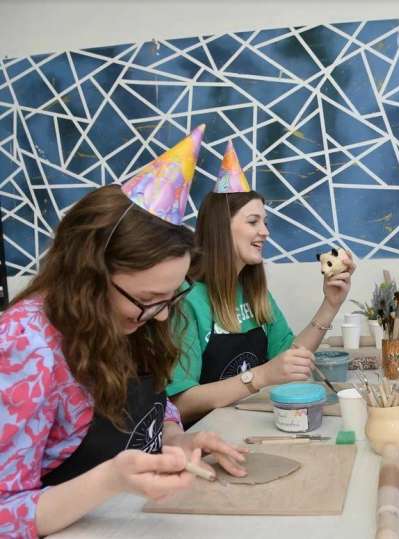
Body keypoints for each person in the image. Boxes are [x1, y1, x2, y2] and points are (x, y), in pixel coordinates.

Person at [0, 126, 246, 538]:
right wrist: (111, 479)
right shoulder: (25, 345)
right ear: (90, 277)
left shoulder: (135, 318)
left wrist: (175, 441)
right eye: (148, 299)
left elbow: (156, 405)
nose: (162, 318)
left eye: (169, 299)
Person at [168, 143, 355, 425]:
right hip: (206, 439)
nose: (265, 232)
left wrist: (330, 305)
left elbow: (287, 359)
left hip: (249, 426)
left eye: (264, 222)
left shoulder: (254, 292)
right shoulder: (187, 299)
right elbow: (180, 403)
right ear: (221, 227)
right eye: (253, 221)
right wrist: (259, 377)